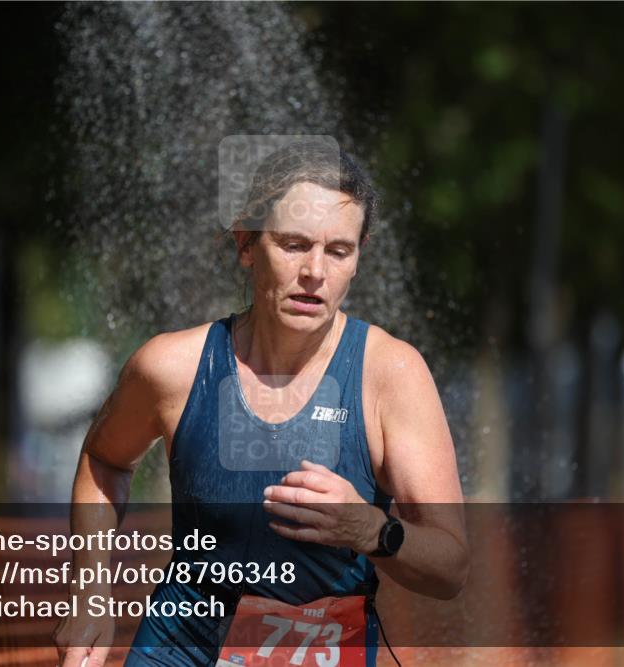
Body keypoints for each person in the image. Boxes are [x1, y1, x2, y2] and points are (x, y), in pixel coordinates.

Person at [54, 142, 468, 667]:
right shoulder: (172, 367)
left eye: (338, 251)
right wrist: (91, 590)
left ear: (358, 258)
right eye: (294, 244)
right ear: (246, 245)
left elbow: (451, 567)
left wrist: (369, 529)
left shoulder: (391, 375)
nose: (315, 271)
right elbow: (104, 458)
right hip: (180, 647)